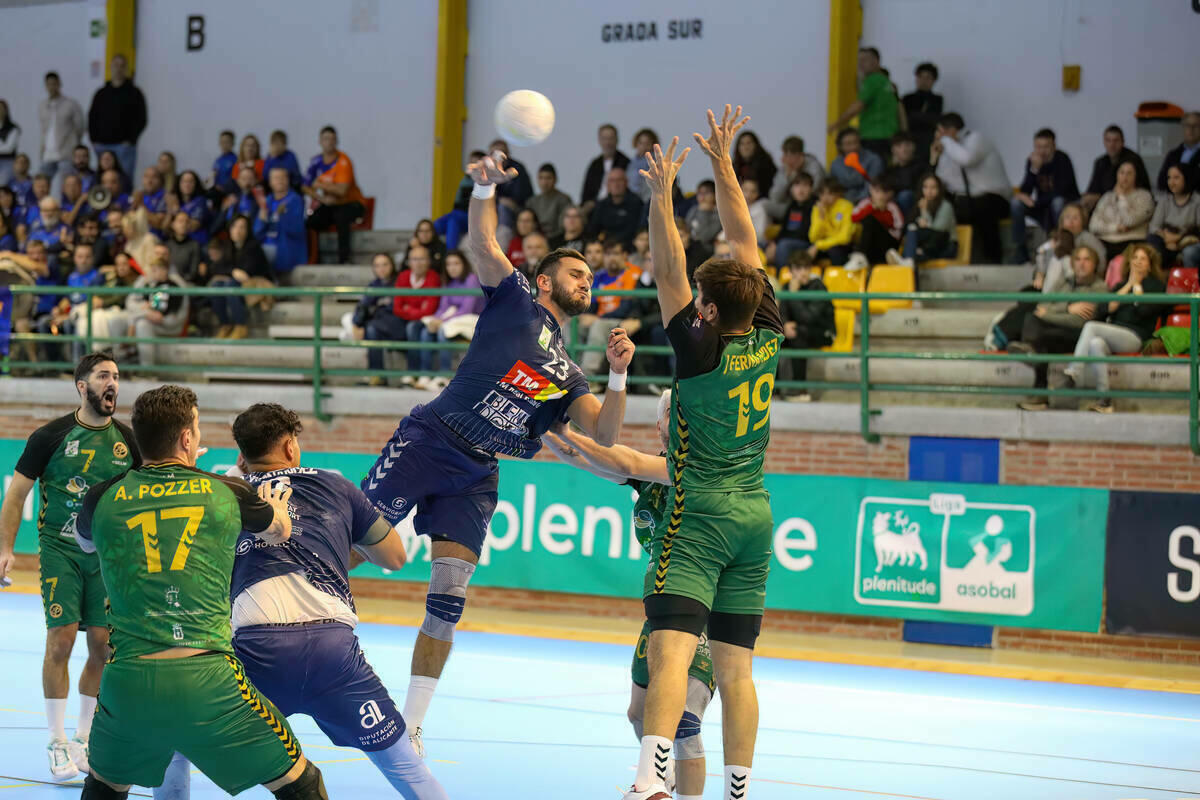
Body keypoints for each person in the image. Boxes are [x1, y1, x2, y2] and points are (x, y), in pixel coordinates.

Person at [360, 149, 634, 759]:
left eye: (592, 278)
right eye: (576, 273)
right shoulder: (516, 302)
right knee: (353, 549)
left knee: (449, 597)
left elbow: (606, 434)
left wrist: (616, 377)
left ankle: (412, 725)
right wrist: (482, 188)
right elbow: (483, 244)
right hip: (429, 442)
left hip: (478, 473)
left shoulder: (569, 371)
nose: (586, 281)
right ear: (545, 281)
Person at [163, 403, 444, 800]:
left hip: (258, 655)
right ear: (291, 447)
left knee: (176, 738)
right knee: (402, 765)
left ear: (242, 456)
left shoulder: (221, 495)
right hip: (334, 653)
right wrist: (333, 546)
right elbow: (395, 558)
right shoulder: (337, 485)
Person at [628, 105, 783, 800]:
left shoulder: (699, 352)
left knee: (670, 655)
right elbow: (744, 239)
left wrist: (661, 195)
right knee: (738, 671)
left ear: (711, 312)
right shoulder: (769, 327)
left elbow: (668, 269)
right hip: (756, 513)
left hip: (700, 516)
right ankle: (739, 792)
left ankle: (649, 783)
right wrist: (725, 165)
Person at [72, 385, 329, 800]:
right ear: (187, 439)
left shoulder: (103, 497)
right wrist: (271, 498)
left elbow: (86, 543)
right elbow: (280, 529)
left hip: (127, 681)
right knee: (302, 783)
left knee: (104, 789)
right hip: (207, 678)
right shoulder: (226, 491)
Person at [541, 399, 715, 800]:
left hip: (705, 602)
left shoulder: (701, 465)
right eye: (674, 412)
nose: (681, 418)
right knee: (638, 713)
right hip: (663, 601)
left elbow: (626, 463)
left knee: (686, 723)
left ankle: (671, 788)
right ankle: (662, 771)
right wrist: (544, 429)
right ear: (660, 425)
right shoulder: (649, 471)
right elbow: (580, 457)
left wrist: (566, 430)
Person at [0, 353, 138, 780]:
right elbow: (16, 494)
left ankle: (83, 737)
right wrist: (5, 547)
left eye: (115, 376)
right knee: (60, 640)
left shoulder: (128, 440)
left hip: (106, 555)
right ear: (82, 386)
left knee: (102, 647)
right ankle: (57, 742)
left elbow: (151, 487)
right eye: (102, 376)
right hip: (60, 550)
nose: (111, 383)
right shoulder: (50, 436)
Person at [1062, 243, 1166, 413]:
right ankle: (1105, 400)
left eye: (1143, 259)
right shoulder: (1120, 286)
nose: (1138, 262)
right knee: (1095, 343)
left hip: (1135, 337)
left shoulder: (1157, 287)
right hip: (1115, 334)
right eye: (1135, 258)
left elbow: (1142, 310)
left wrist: (1137, 286)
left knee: (1091, 327)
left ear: (1149, 264)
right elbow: (1106, 309)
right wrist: (1129, 285)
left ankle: (1074, 371)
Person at [1009, 244, 1108, 410]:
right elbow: (1043, 304)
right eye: (1077, 259)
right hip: (1056, 332)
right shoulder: (1064, 283)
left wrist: (1050, 314)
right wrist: (1068, 308)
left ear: (1095, 264)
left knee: (1039, 333)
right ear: (1072, 263)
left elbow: (1079, 321)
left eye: (1087, 259)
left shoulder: (1099, 287)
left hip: (1078, 337)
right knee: (1033, 321)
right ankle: (1031, 351)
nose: (1081, 263)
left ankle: (1039, 391)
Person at [932, 112, 1011, 264]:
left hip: (996, 198)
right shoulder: (952, 149)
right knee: (945, 205)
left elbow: (967, 159)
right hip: (970, 200)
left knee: (982, 207)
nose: (938, 136)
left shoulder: (976, 139)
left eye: (940, 132)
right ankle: (950, 255)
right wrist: (935, 158)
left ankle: (993, 260)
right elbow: (942, 180)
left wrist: (946, 141)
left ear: (951, 130)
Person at [1010, 128, 1081, 263]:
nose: (1042, 151)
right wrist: (1034, 170)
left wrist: (1035, 202)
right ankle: (1020, 249)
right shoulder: (1033, 161)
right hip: (1042, 207)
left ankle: (1062, 243)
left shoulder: (1062, 159)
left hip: (1064, 205)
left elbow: (1061, 191)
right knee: (1016, 203)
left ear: (1054, 146)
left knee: (1057, 202)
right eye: (1038, 147)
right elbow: (1026, 189)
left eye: (1046, 147)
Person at [418, 249, 484, 385]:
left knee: (443, 332)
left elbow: (467, 309)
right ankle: (424, 374)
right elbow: (443, 308)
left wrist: (441, 321)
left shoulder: (471, 280)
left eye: (456, 263)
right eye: (448, 264)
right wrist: (435, 320)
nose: (452, 268)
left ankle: (444, 374)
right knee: (425, 332)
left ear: (464, 264)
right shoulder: (448, 282)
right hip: (453, 321)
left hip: (472, 321)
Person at [303, 125, 366, 264]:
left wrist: (320, 185)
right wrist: (321, 198)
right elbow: (304, 186)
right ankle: (314, 259)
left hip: (353, 203)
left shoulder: (344, 160)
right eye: (326, 139)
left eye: (332, 139)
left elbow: (342, 190)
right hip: (329, 204)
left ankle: (344, 260)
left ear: (336, 141)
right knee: (311, 221)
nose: (329, 142)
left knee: (341, 217)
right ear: (320, 141)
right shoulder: (316, 161)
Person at [580, 239, 643, 376]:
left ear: (625, 255)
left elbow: (625, 308)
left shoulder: (632, 273)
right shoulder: (600, 276)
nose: (611, 258)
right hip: (601, 319)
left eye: (616, 254)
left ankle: (588, 377)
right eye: (608, 254)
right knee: (572, 325)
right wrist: (586, 316)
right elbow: (593, 304)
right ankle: (572, 374)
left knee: (598, 326)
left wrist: (597, 318)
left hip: (620, 321)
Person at [778, 253, 835, 401]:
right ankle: (774, 388)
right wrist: (784, 326)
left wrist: (794, 294)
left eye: (806, 268)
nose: (802, 272)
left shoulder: (819, 287)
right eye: (798, 268)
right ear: (791, 271)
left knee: (798, 334)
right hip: (798, 330)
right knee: (773, 338)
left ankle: (800, 390)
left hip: (823, 332)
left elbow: (809, 318)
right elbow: (781, 313)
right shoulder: (787, 287)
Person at [829, 48, 899, 159]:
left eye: (864, 60)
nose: (861, 64)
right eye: (859, 60)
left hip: (873, 135)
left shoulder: (872, 80)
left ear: (876, 61)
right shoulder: (886, 82)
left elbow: (858, 106)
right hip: (890, 134)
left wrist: (835, 124)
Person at [347, 252, 404, 384]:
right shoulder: (374, 285)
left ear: (392, 265)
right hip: (378, 325)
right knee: (361, 325)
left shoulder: (399, 282)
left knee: (371, 328)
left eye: (385, 264)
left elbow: (392, 310)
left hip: (397, 325)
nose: (381, 269)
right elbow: (363, 306)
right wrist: (356, 324)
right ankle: (376, 375)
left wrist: (364, 322)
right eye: (377, 265)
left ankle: (376, 374)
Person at [87, 54, 147, 180]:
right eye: (115, 65)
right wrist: (94, 140)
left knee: (123, 180)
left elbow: (141, 118)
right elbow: (92, 117)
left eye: (122, 66)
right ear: (110, 67)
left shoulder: (134, 93)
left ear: (126, 68)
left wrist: (130, 139)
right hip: (102, 145)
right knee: (102, 180)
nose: (118, 69)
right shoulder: (101, 93)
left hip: (124, 146)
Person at [126, 257, 188, 366]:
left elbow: (171, 308)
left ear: (164, 270)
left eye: (155, 270)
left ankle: (147, 368)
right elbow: (144, 303)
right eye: (152, 270)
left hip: (166, 320)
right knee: (138, 316)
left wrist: (153, 311)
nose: (152, 273)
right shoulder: (150, 285)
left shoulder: (174, 286)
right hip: (150, 315)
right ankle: (125, 355)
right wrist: (148, 309)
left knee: (142, 323)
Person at [1089, 159, 1156, 261]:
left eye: (1129, 173)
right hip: (1106, 240)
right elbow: (1093, 225)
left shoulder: (1144, 196)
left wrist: (1121, 198)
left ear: (1136, 176)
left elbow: (1128, 221)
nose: (1125, 177)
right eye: (1122, 172)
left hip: (1131, 241)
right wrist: (1115, 228)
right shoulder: (1107, 196)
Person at [392, 244, 443, 376]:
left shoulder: (433, 277)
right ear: (408, 262)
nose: (418, 263)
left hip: (426, 321)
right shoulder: (403, 276)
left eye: (422, 259)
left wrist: (408, 308)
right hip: (402, 319)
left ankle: (413, 372)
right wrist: (419, 307)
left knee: (412, 328)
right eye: (414, 259)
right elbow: (397, 308)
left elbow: (430, 310)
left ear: (429, 261)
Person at [1030, 202, 1104, 292]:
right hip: (1050, 282)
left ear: (1083, 221)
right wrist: (1040, 274)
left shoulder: (1089, 239)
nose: (1071, 221)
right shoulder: (1055, 238)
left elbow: (1101, 264)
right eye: (1067, 217)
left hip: (1081, 282)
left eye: (1075, 218)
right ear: (1062, 221)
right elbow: (1041, 254)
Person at [889, 173, 957, 269]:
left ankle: (907, 259)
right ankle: (909, 261)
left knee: (913, 235)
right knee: (911, 234)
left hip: (946, 246)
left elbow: (939, 229)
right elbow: (912, 224)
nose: (929, 191)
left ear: (939, 189)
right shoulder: (920, 203)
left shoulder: (946, 206)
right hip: (928, 247)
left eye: (933, 187)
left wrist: (924, 212)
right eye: (925, 187)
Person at [1081, 125, 1150, 214]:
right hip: (1105, 200)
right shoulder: (1100, 162)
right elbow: (1093, 188)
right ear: (1104, 142)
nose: (1112, 145)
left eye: (1115, 141)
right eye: (1108, 140)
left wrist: (1100, 197)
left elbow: (1136, 187)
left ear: (1122, 142)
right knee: (1083, 203)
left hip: (1129, 200)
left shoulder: (1133, 160)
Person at [38, 72, 86, 197]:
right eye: (49, 84)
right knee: (41, 185)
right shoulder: (43, 106)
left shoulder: (70, 104)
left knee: (63, 187)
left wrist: (74, 143)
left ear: (59, 84)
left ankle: (62, 210)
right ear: (46, 86)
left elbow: (80, 126)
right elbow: (43, 130)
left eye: (54, 84)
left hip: (66, 152)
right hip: (47, 153)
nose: (52, 87)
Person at [254, 166, 306, 276]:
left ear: (288, 180)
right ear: (270, 182)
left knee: (258, 256)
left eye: (283, 177)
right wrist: (262, 220)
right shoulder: (267, 201)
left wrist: (283, 216)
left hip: (286, 249)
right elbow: (257, 233)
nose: (280, 181)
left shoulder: (295, 200)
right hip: (266, 246)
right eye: (276, 178)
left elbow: (297, 230)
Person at [1147, 164, 1200, 267]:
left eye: (1176, 178)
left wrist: (1178, 238)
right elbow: (1154, 226)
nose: (1172, 182)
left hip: (1189, 240)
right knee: (1152, 241)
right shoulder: (1165, 200)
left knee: (1190, 252)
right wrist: (1166, 237)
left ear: (1186, 178)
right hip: (1166, 239)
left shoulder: (1197, 200)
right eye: (1169, 178)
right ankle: (1160, 280)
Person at [767, 136, 824, 221]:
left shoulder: (813, 166)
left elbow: (813, 191)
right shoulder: (785, 169)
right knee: (763, 205)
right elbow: (775, 197)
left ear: (801, 154)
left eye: (793, 154)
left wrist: (797, 174)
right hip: (790, 206)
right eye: (786, 154)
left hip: (812, 206)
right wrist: (788, 176)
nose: (789, 159)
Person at [851, 176, 903, 266]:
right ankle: (860, 257)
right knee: (868, 221)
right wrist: (872, 208)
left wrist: (883, 211)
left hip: (889, 243)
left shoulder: (892, 206)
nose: (881, 195)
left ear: (891, 193)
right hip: (872, 244)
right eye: (877, 191)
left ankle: (861, 255)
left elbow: (899, 225)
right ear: (871, 190)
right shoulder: (866, 203)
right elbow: (854, 218)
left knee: (870, 220)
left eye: (885, 192)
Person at [585, 167, 644, 247]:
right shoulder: (601, 205)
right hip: (605, 248)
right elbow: (593, 230)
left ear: (626, 183)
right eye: (612, 181)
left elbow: (635, 231)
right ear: (607, 185)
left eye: (619, 180)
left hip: (628, 248)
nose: (616, 184)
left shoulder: (636, 203)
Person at [581, 123, 631, 214]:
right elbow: (586, 191)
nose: (608, 143)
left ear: (617, 140)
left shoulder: (625, 162)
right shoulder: (595, 164)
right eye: (604, 139)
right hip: (593, 208)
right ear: (599, 140)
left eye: (611, 138)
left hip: (614, 206)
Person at [807, 179, 855, 266]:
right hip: (825, 245)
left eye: (829, 193)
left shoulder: (847, 207)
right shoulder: (818, 208)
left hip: (843, 246)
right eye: (822, 194)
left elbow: (844, 238)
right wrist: (821, 217)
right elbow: (813, 237)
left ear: (838, 194)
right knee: (805, 254)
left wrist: (819, 245)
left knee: (835, 251)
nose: (825, 198)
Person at [902, 62, 943, 162]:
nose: (924, 81)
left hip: (928, 142)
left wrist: (915, 116)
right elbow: (905, 119)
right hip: (909, 141)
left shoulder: (937, 99)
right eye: (920, 77)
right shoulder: (907, 98)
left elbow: (934, 119)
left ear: (934, 80)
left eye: (928, 77)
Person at [829, 127, 883, 204]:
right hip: (842, 203)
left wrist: (857, 202)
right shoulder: (835, 165)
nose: (853, 147)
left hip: (868, 201)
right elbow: (833, 187)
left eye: (856, 142)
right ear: (840, 147)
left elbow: (872, 185)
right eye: (848, 144)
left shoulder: (873, 160)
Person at [1157, 111, 1200, 193]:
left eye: (1196, 125)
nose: (1191, 129)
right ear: (1183, 128)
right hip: (1174, 201)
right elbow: (1161, 182)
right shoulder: (1173, 154)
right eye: (1188, 125)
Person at [527, 163, 572, 241]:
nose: (544, 182)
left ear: (555, 179)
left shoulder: (563, 199)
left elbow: (564, 226)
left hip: (558, 239)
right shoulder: (532, 201)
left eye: (548, 178)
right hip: (536, 239)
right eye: (541, 178)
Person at [731, 131, 777, 201]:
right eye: (742, 144)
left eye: (749, 143)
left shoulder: (765, 164)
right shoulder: (735, 166)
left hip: (762, 201)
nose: (746, 147)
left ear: (756, 145)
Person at [887, 132, 924, 216]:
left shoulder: (920, 165)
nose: (904, 149)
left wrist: (903, 166)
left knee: (905, 195)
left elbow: (908, 185)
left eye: (907, 145)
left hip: (915, 203)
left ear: (914, 147)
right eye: (899, 146)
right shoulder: (890, 169)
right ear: (893, 149)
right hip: (894, 204)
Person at [172, 169, 210, 244]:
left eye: (190, 181)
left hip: (197, 242)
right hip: (178, 242)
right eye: (184, 181)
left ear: (195, 184)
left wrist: (176, 212)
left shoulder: (200, 201)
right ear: (179, 184)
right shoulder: (176, 201)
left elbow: (194, 226)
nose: (187, 184)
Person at [131, 165, 168, 236]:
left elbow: (157, 223)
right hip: (137, 237)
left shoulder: (164, 196)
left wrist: (140, 204)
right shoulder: (140, 194)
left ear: (161, 180)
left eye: (154, 177)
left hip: (155, 238)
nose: (149, 181)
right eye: (146, 177)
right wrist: (133, 206)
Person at [684, 180, 721, 249]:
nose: (703, 196)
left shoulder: (719, 214)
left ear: (715, 194)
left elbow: (704, 237)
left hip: (708, 250)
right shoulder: (694, 209)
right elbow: (686, 229)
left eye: (707, 193)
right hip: (691, 247)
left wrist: (704, 212)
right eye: (700, 193)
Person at [504, 207, 540, 275]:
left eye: (527, 221)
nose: (523, 224)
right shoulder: (513, 242)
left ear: (535, 224)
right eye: (520, 220)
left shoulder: (540, 242)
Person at [628, 128, 660, 201]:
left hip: (646, 200)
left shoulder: (655, 163)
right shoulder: (632, 162)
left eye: (647, 143)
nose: (644, 147)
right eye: (641, 143)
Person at [211, 129, 238, 197]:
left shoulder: (236, 160)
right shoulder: (217, 161)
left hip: (230, 192)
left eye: (227, 142)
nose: (224, 145)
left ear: (232, 143)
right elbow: (213, 177)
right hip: (217, 192)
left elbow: (235, 179)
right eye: (222, 142)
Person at [0, 99, 19, 186]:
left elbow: (9, 149)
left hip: (7, 162)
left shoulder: (13, 128)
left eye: (1, 108)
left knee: (3, 185)